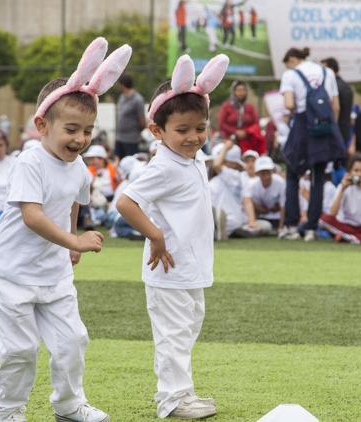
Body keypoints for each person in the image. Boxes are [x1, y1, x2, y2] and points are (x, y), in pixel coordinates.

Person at [0, 36, 129, 422]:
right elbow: (32, 215)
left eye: (88, 131)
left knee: (72, 342)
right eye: (71, 129)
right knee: (19, 350)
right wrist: (73, 238)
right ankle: (6, 412)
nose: (80, 139)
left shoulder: (79, 166)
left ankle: (68, 406)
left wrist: (72, 243)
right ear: (41, 125)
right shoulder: (31, 162)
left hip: (55, 276)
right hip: (11, 276)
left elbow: (75, 199)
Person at [117, 53, 228, 420]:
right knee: (174, 333)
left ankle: (182, 391)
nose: (194, 137)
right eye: (183, 130)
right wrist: (156, 236)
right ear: (157, 131)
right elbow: (126, 201)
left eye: (201, 127)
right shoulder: (163, 165)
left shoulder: (193, 157)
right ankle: (173, 400)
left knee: (188, 327)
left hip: (189, 264)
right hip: (168, 266)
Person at [279, 47, 345, 241]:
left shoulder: (291, 74)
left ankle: (291, 225)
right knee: (318, 178)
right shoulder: (327, 72)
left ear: (292, 59)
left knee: (292, 173)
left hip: (301, 126)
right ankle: (311, 228)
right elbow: (336, 106)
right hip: (324, 129)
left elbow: (289, 104)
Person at [210, 141, 250, 239]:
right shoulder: (237, 176)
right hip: (235, 222)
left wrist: (225, 148)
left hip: (230, 221)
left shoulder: (236, 176)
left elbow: (216, 166)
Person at [217, 81, 266, 155]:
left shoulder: (250, 108)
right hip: (229, 138)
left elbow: (256, 123)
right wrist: (235, 132)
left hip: (247, 139)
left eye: (243, 90)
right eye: (239, 90)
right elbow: (222, 123)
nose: (241, 93)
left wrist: (245, 132)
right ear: (234, 92)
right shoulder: (227, 106)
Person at [243, 155, 285, 234]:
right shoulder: (251, 184)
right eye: (263, 173)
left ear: (272, 171)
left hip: (277, 218)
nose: (266, 176)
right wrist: (252, 221)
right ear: (257, 173)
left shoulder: (280, 182)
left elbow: (283, 206)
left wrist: (281, 227)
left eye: (268, 172)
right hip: (260, 218)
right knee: (265, 226)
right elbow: (247, 201)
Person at [320, 57, 353, 149]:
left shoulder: (333, 85)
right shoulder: (345, 85)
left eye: (323, 69)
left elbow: (335, 108)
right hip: (344, 129)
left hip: (335, 130)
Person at [115, 74, 146, 159]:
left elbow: (142, 120)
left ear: (122, 84)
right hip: (120, 137)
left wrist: (137, 132)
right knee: (118, 160)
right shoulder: (122, 97)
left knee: (131, 162)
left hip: (132, 139)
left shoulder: (138, 99)